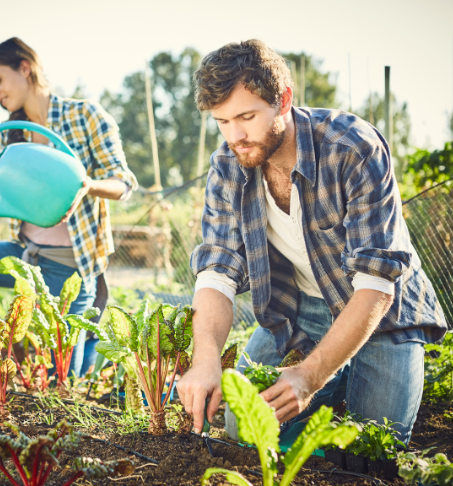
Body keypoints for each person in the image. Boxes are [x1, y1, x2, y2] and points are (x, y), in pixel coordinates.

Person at [176, 39, 447, 443]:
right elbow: (217, 272)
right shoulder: (228, 166)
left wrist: (310, 376)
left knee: (371, 447)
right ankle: (330, 384)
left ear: (283, 100)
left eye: (246, 116)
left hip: (380, 315)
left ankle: (342, 379)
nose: (235, 136)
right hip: (297, 310)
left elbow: (376, 285)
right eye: (222, 121)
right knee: (245, 429)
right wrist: (206, 358)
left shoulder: (352, 147)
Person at [0, 37, 138, 377]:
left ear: (25, 67)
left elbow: (124, 184)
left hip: (71, 269)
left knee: (61, 379)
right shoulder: (10, 134)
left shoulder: (86, 116)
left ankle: (86, 359)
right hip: (24, 256)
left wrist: (88, 186)